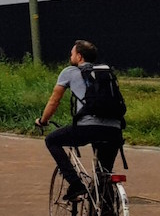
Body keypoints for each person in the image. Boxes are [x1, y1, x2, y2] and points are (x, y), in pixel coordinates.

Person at [36, 39, 125, 202]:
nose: (70, 56)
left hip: (87, 129)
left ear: (79, 57)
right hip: (114, 130)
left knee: (52, 140)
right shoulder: (106, 72)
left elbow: (54, 101)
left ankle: (76, 184)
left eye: (72, 53)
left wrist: (43, 120)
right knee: (104, 173)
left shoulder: (69, 72)